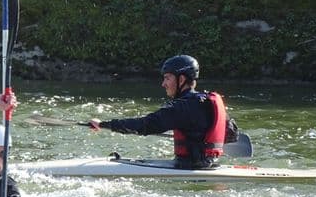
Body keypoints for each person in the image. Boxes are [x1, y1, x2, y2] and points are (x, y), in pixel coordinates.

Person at [89, 55, 238, 169]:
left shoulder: (181, 107)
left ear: (181, 80)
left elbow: (145, 125)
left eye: (167, 78)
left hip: (188, 168)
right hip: (210, 166)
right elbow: (232, 134)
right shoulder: (209, 101)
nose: (163, 84)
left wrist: (103, 124)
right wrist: (196, 137)